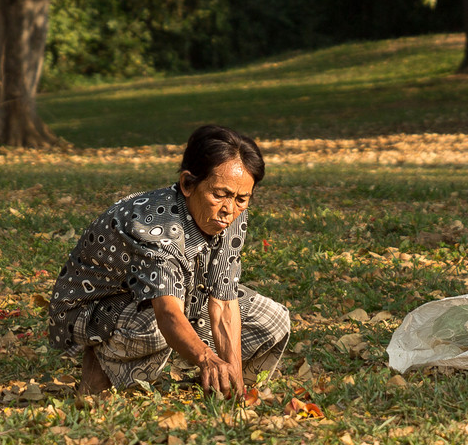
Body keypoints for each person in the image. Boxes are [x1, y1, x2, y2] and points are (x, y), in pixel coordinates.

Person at [47, 124, 290, 397]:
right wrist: (207, 358)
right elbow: (168, 314)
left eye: (242, 198)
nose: (229, 209)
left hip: (176, 296)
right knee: (154, 327)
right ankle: (100, 369)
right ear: (188, 184)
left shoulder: (232, 214)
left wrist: (233, 374)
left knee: (272, 319)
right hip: (94, 310)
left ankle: (218, 385)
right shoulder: (156, 226)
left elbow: (223, 301)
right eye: (219, 195)